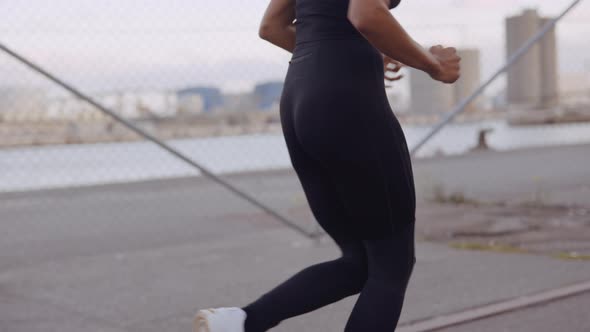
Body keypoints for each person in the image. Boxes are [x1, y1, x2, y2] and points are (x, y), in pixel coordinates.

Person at [194, 0, 461, 331]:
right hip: (347, 103)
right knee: (392, 265)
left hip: (300, 97)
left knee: (360, 263)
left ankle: (240, 322)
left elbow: (272, 27)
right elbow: (366, 15)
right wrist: (433, 65)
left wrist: (359, 54)